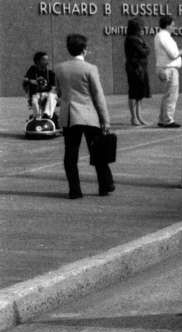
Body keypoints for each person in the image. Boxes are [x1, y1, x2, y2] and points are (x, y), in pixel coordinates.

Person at [54, 33, 114, 199]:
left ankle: (75, 190)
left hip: (69, 116)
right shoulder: (90, 68)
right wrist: (105, 120)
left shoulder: (59, 68)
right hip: (89, 116)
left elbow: (59, 91)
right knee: (98, 153)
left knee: (70, 155)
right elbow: (98, 95)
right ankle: (104, 186)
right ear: (84, 50)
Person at [154, 15, 182, 128]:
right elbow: (173, 54)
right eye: (173, 25)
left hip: (165, 68)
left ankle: (163, 119)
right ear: (167, 25)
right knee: (171, 95)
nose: (174, 27)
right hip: (169, 69)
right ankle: (168, 120)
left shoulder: (160, 36)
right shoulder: (164, 36)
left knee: (167, 95)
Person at [123, 19, 151, 126]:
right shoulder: (132, 39)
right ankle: (134, 117)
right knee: (134, 93)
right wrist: (146, 49)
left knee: (140, 94)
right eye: (140, 27)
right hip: (134, 68)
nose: (142, 29)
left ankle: (139, 116)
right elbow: (144, 51)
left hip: (141, 67)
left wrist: (146, 50)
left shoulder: (138, 38)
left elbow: (146, 50)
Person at [23, 51, 58, 123]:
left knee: (52, 95)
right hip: (36, 94)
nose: (47, 62)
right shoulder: (32, 70)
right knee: (34, 100)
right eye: (44, 60)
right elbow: (25, 80)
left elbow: (54, 86)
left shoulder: (50, 73)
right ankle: (37, 118)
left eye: (47, 60)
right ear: (37, 61)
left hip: (47, 94)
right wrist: (32, 81)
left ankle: (47, 115)